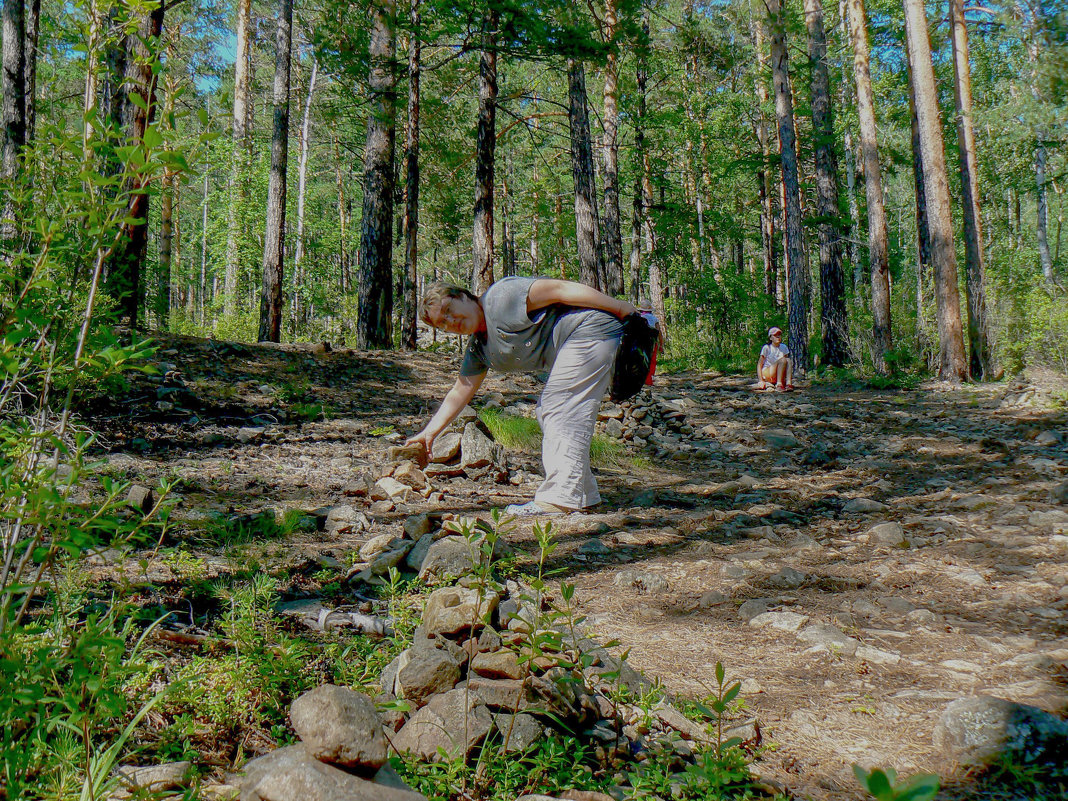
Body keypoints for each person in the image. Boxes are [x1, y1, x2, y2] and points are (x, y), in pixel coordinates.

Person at [405, 276, 636, 517]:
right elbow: (460, 389)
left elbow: (560, 288)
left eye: (449, 310)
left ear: (463, 296)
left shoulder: (500, 298)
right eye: (443, 323)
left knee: (557, 405)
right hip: (582, 342)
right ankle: (583, 495)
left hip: (591, 329)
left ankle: (560, 498)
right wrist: (429, 432)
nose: (451, 321)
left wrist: (622, 309)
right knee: (548, 410)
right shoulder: (479, 348)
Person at [756, 326, 794, 391]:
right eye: (775, 335)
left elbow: (786, 364)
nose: (778, 337)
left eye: (779, 335)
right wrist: (761, 380)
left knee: (788, 360)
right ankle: (779, 384)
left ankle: (788, 383)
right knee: (783, 360)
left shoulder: (784, 347)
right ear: (770, 338)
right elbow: (759, 364)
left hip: (777, 373)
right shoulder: (767, 348)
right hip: (768, 372)